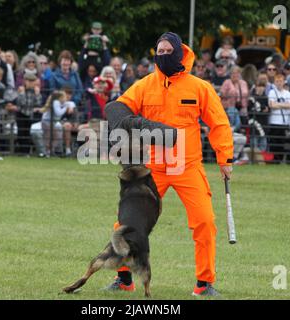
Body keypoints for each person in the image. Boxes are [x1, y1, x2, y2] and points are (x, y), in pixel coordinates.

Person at [105, 32, 233, 296]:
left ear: (179, 53)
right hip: (155, 168)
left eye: (167, 51)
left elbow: (219, 123)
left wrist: (225, 158)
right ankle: (123, 278)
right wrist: (117, 123)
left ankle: (204, 283)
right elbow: (120, 107)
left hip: (188, 166)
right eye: (159, 52)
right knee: (125, 223)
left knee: (205, 222)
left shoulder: (199, 87)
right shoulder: (144, 85)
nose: (162, 55)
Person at [13, 72, 42, 154]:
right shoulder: (21, 90)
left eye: (32, 81)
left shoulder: (35, 91)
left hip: (30, 114)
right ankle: (21, 151)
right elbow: (21, 103)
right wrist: (22, 93)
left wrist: (37, 94)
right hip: (21, 114)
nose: (31, 83)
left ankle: (26, 152)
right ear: (25, 81)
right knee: (21, 133)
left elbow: (38, 103)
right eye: (29, 81)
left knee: (27, 133)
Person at [268, 74, 290, 162]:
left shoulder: (287, 93)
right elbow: (271, 105)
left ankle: (281, 159)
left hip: (284, 122)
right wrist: (283, 105)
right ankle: (275, 159)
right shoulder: (272, 92)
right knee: (274, 141)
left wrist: (278, 104)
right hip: (274, 121)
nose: (279, 83)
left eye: (281, 81)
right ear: (274, 83)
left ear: (284, 82)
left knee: (282, 141)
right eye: (277, 81)